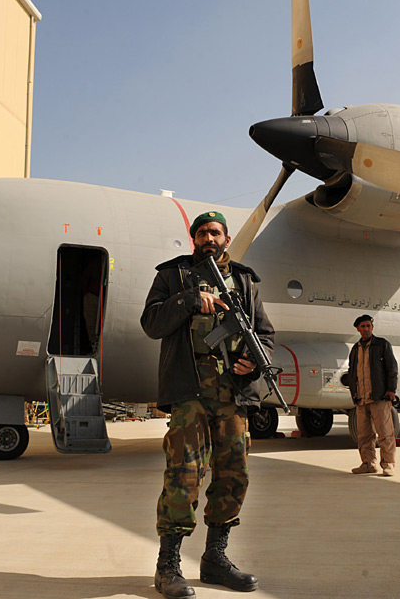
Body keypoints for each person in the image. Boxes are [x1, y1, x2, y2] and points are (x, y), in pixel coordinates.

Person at [141, 211, 274, 598]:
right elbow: (151, 323)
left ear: (226, 239)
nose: (208, 238)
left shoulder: (245, 280)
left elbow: (264, 334)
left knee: (234, 476)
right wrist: (188, 300)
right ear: (194, 239)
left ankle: (215, 558)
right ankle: (168, 565)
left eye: (215, 233)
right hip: (190, 393)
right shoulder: (172, 276)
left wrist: (254, 361)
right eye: (201, 233)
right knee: (183, 477)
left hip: (232, 394)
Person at [347, 314, 398, 476]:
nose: (366, 329)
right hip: (361, 398)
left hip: (379, 397)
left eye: (368, 326)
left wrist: (391, 390)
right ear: (358, 329)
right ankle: (368, 463)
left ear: (372, 327)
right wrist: (354, 392)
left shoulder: (382, 345)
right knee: (364, 435)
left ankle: (388, 464)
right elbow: (352, 372)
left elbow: (392, 368)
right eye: (363, 326)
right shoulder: (355, 349)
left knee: (385, 433)